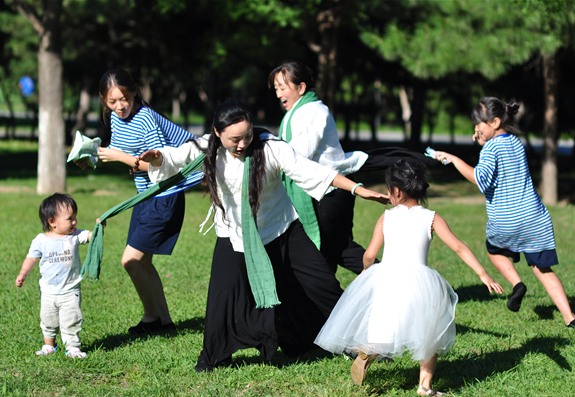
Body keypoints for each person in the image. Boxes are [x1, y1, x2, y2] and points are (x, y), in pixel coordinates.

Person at [139, 99, 389, 372]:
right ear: (217, 133)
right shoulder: (206, 148)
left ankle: (362, 343)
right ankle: (214, 357)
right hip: (235, 235)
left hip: (282, 229)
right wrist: (158, 158)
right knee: (224, 297)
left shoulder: (270, 147)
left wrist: (357, 189)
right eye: (234, 139)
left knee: (323, 286)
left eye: (247, 136)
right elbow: (174, 158)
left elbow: (313, 172)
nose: (242, 144)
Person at [314, 158, 504, 396]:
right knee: (429, 333)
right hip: (420, 282)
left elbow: (370, 254)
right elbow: (458, 247)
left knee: (385, 325)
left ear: (395, 191)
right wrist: (483, 274)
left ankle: (369, 350)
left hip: (387, 277)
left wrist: (365, 270)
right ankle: (424, 385)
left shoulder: (386, 217)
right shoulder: (432, 218)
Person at [269, 60, 437, 274]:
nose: (278, 94)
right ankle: (388, 281)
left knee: (319, 253)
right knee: (338, 249)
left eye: (282, 88)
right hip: (332, 192)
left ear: (301, 88)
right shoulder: (302, 111)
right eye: (276, 88)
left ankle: (375, 284)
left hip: (328, 194)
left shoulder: (311, 112)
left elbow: (297, 156)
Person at [432, 97, 575, 329]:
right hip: (534, 217)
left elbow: (480, 180)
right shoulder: (514, 142)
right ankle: (570, 318)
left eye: (479, 124)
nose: (476, 129)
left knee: (494, 251)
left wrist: (453, 159)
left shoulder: (491, 148)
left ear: (495, 121)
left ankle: (517, 284)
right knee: (542, 269)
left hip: (506, 219)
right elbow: (498, 162)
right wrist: (483, 144)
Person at [77, 69, 202, 335]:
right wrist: (91, 158)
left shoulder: (145, 118)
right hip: (144, 197)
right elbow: (124, 152)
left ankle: (152, 317)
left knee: (130, 261)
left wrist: (120, 157)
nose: (120, 106)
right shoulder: (115, 118)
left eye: (124, 98)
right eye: (112, 101)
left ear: (133, 92)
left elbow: (158, 165)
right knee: (143, 263)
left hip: (163, 195)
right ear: (103, 99)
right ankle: (162, 323)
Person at [16, 193, 100, 358]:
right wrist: (23, 273)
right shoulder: (41, 240)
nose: (74, 222)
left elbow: (92, 236)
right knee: (48, 320)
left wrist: (99, 227)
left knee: (71, 320)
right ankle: (49, 346)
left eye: (75, 217)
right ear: (52, 222)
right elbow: (31, 258)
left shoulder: (74, 235)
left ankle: (73, 348)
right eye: (70, 218)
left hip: (70, 289)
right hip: (48, 291)